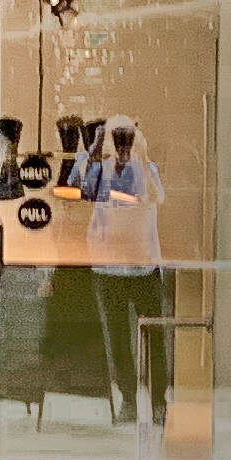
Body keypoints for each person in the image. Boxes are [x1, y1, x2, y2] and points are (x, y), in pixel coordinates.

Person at [80, 116, 170, 425]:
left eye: (127, 139)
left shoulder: (147, 169)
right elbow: (84, 192)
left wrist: (142, 157)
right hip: (109, 268)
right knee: (117, 339)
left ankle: (159, 401)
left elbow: (156, 196)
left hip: (143, 266)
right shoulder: (100, 170)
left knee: (155, 336)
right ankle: (129, 401)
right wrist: (94, 150)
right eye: (117, 140)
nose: (122, 147)